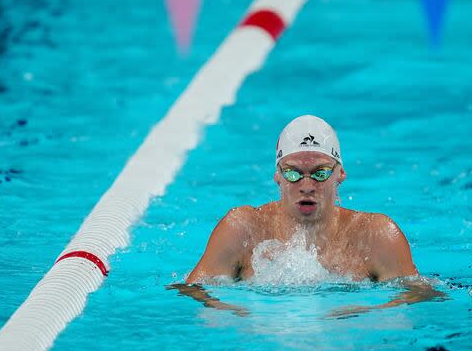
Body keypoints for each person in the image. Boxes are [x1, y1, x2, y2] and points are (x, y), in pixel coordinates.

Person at [171, 115, 444, 317]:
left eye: (321, 172)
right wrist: (244, 315)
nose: (306, 184)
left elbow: (420, 297)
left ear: (341, 174)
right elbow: (192, 291)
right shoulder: (243, 228)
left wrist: (365, 313)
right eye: (292, 172)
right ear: (277, 175)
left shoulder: (376, 235)